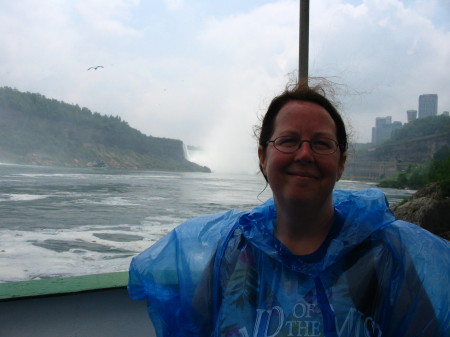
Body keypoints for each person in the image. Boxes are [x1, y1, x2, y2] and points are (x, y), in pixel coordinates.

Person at [128, 81, 449, 337]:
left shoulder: (381, 255)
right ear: (263, 157)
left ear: (341, 163)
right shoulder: (234, 250)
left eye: (321, 143)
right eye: (288, 140)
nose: (305, 154)